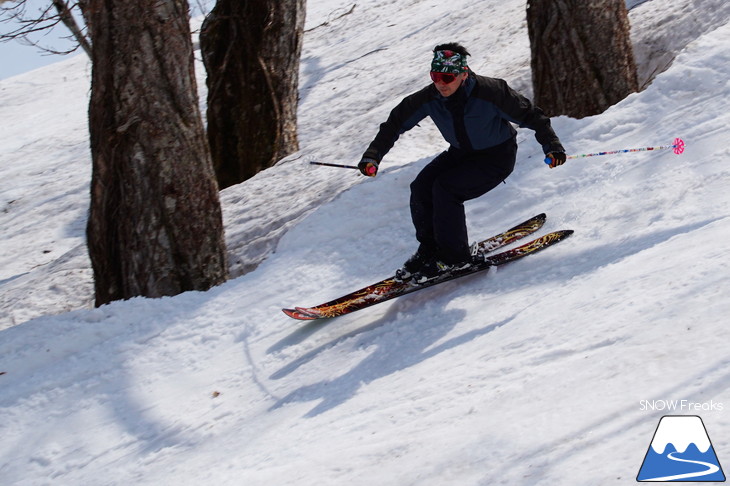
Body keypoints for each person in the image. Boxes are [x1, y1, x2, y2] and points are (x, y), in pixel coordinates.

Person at [357, 42, 567, 283]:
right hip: (461, 153)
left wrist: (552, 145)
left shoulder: (492, 92)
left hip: (496, 157)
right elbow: (395, 123)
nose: (441, 84)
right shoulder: (430, 97)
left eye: (448, 77)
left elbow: (533, 116)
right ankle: (430, 249)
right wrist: (373, 155)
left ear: (463, 74)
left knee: (446, 189)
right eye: (436, 76)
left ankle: (456, 258)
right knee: (422, 186)